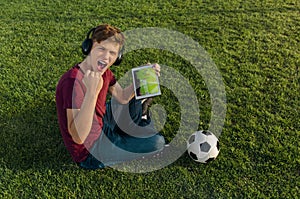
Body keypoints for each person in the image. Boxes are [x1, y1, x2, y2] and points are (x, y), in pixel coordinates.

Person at [55, 24, 165, 169]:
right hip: (90, 151)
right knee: (157, 142)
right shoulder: (71, 82)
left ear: (118, 57)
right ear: (89, 48)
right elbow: (78, 137)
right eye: (101, 49)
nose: (106, 57)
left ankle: (134, 123)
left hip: (102, 122)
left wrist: (138, 80)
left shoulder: (104, 71)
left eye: (112, 53)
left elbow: (122, 97)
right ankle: (134, 129)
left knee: (132, 100)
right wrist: (92, 92)